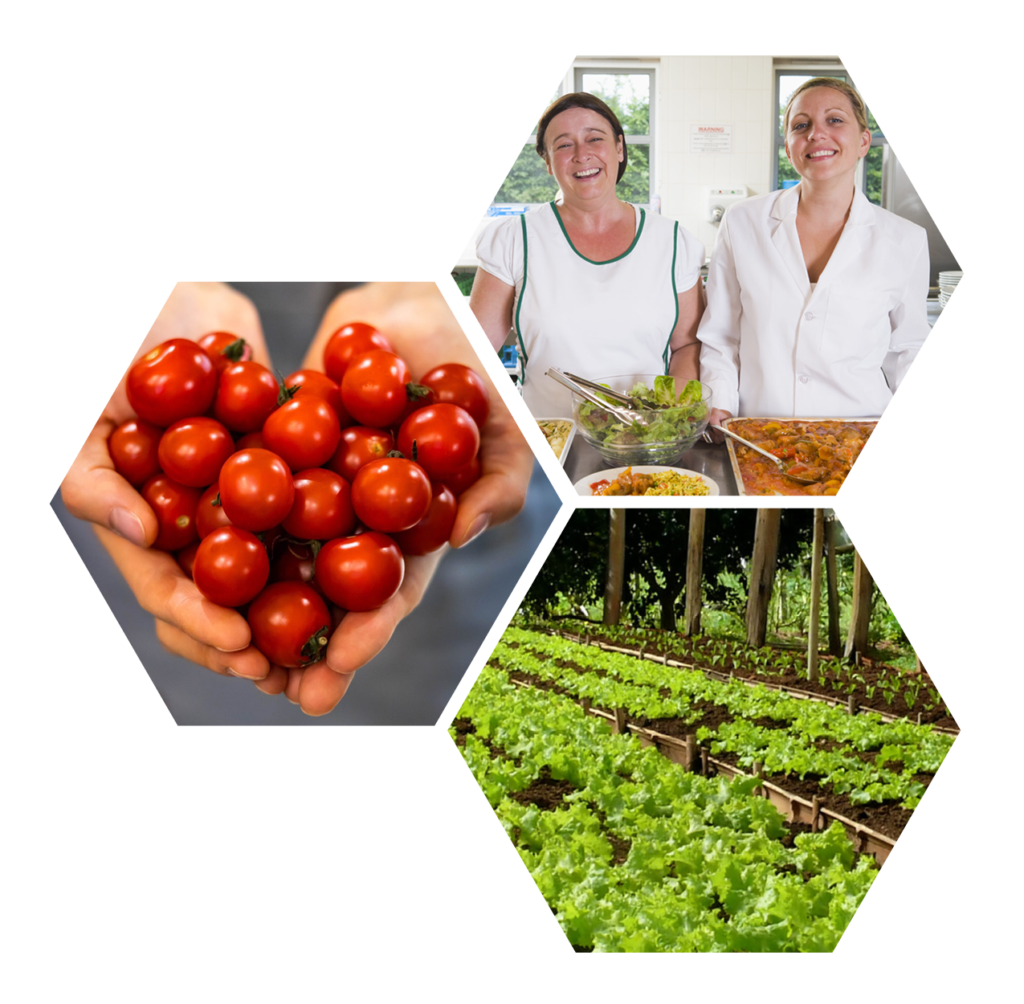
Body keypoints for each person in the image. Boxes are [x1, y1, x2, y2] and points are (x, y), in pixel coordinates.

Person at [50, 281, 567, 951]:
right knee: (238, 800)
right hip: (214, 581)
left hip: (444, 569)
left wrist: (433, 294)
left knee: (472, 778)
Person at [697, 78, 933, 437]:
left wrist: (918, 431)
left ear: (863, 142)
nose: (817, 134)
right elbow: (721, 334)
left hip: (858, 437)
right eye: (801, 125)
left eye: (835, 120)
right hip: (760, 435)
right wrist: (721, 401)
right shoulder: (743, 221)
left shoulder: (905, 240)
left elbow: (910, 350)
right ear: (789, 149)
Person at [470, 92, 706, 419]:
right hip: (551, 446)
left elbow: (688, 345)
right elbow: (475, 354)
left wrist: (662, 418)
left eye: (594, 139)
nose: (582, 155)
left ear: (619, 148)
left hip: (647, 444)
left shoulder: (673, 241)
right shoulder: (514, 238)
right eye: (564, 145)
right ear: (548, 163)